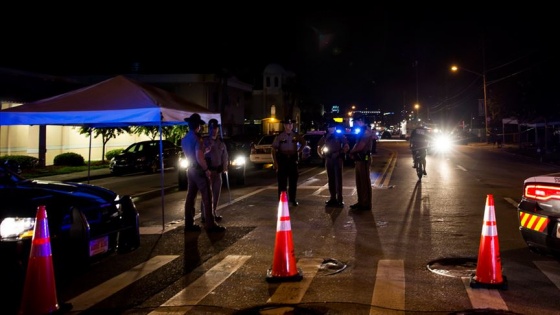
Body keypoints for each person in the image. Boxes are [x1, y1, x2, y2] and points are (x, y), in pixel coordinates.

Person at [181, 113, 226, 233]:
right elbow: (199, 157)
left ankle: (189, 224)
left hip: (190, 170)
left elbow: (194, 154)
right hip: (199, 170)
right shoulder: (197, 138)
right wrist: (206, 170)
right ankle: (210, 224)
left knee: (190, 197)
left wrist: (205, 150)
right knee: (207, 196)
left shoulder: (185, 139)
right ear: (198, 126)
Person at [272, 117, 306, 207]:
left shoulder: (296, 135)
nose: (289, 126)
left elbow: (304, 143)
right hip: (283, 159)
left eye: (291, 124)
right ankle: (282, 199)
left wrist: (299, 151)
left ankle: (293, 199)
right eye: (287, 124)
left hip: (292, 159)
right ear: (284, 125)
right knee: (282, 181)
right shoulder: (279, 136)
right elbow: (273, 149)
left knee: (293, 180)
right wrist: (275, 161)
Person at [199, 118, 228, 223]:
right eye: (211, 128)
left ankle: (213, 212)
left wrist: (224, 167)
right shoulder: (205, 142)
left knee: (216, 194)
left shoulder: (221, 143)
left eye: (215, 128)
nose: (213, 130)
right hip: (208, 172)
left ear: (217, 129)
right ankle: (204, 214)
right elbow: (200, 154)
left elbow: (225, 156)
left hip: (218, 172)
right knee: (206, 194)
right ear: (209, 128)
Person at [317, 120, 349, 207]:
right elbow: (319, 145)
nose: (331, 129)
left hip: (337, 158)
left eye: (332, 127)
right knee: (330, 179)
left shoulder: (339, 135)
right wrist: (321, 154)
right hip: (329, 158)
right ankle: (332, 198)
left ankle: (339, 199)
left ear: (335, 128)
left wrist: (340, 152)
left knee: (338, 179)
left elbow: (346, 146)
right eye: (329, 127)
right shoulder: (326, 136)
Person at [348, 114, 373, 211]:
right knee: (359, 182)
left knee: (364, 182)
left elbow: (361, 145)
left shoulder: (366, 131)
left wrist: (351, 151)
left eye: (356, 121)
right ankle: (361, 202)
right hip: (359, 158)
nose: (355, 123)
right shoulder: (361, 131)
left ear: (361, 121)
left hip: (364, 159)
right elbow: (357, 144)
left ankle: (366, 204)